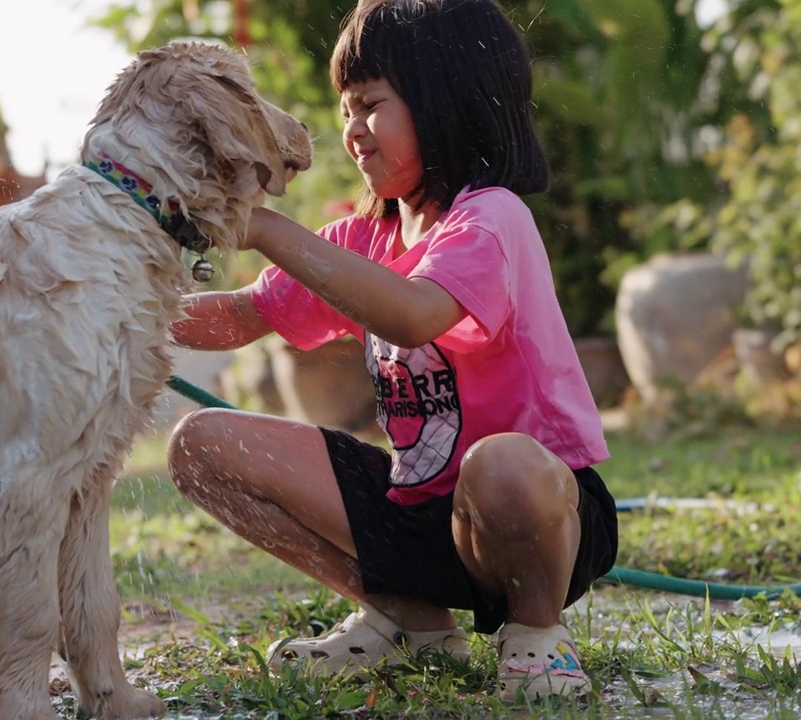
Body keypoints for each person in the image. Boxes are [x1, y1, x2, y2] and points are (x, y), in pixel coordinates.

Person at [166, 0, 618, 703]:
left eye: (369, 105)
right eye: (345, 109)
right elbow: (239, 316)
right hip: (420, 516)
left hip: (534, 513)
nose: (351, 131)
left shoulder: (490, 218)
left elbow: (413, 316)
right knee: (199, 443)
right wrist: (116, 309)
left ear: (447, 99)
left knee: (499, 464)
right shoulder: (359, 241)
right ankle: (409, 618)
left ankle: (536, 634)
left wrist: (269, 230)